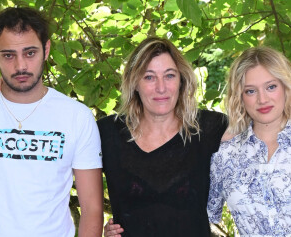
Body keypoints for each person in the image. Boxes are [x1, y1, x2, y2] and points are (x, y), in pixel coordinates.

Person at [97, 37, 228, 237]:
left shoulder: (211, 128)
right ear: (134, 83)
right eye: (149, 77)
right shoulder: (107, 133)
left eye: (169, 75)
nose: (161, 88)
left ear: (181, 80)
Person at [0, 7, 103, 237]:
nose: (20, 66)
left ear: (46, 49)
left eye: (30, 53)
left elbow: (92, 208)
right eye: (8, 55)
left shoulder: (76, 117)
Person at [207, 46, 291, 236]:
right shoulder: (225, 154)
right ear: (240, 97)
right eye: (251, 91)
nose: (262, 99)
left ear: (286, 87)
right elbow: (197, 216)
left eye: (271, 87)